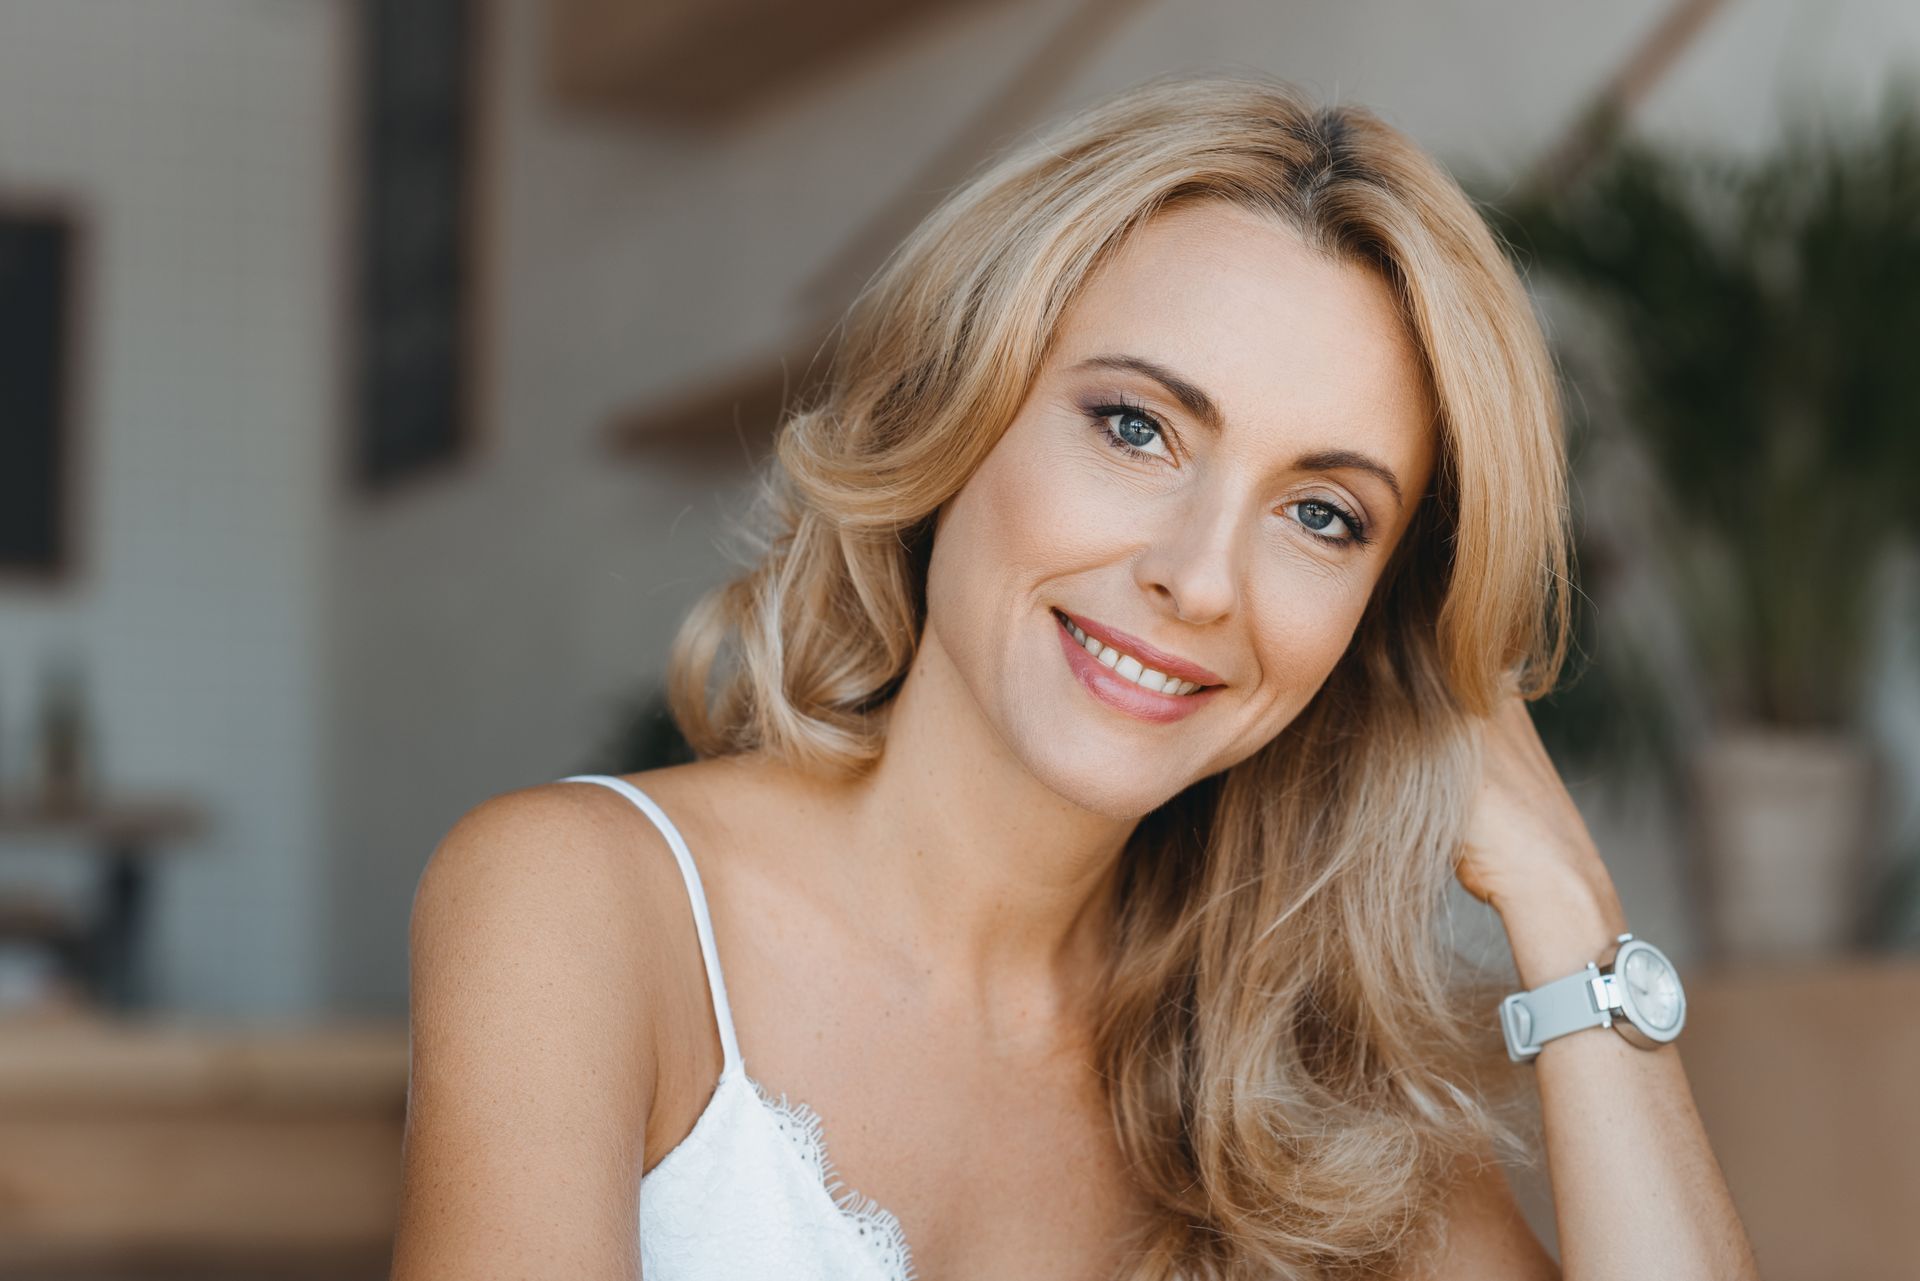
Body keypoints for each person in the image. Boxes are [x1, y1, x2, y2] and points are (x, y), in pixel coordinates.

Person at [389, 73, 1758, 1280]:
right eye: (1136, 427)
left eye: (1322, 514)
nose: (1202, 577)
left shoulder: (1307, 1086)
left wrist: (1568, 906)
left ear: (1374, 625)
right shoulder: (586, 901)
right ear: (960, 406)